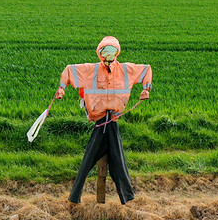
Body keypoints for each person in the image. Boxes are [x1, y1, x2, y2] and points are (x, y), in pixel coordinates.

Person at [55, 36, 152, 204]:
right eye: (105, 51)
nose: (108, 54)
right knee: (107, 161)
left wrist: (146, 89)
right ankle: (126, 199)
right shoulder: (91, 70)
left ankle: (77, 198)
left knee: (111, 162)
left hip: (112, 121)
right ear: (99, 53)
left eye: (112, 51)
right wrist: (61, 88)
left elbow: (146, 70)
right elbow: (69, 71)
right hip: (100, 121)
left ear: (117, 52)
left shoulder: (125, 70)